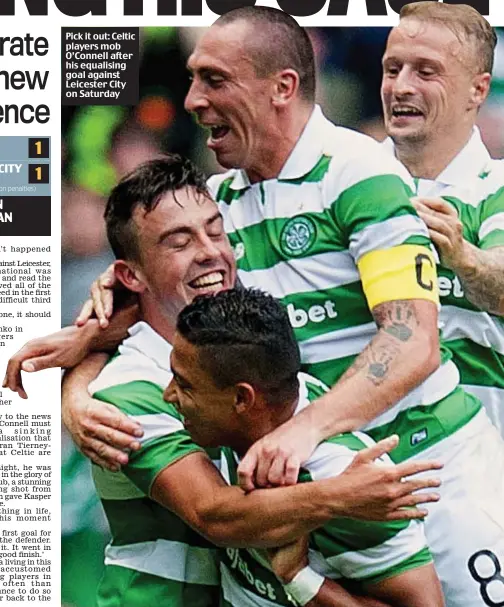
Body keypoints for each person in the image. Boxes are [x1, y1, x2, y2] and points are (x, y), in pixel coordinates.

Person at [4, 6, 504, 605]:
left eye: (214, 80)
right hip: (323, 488)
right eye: (191, 79)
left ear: (281, 88)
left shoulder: (360, 173)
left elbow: (413, 341)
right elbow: (152, 308)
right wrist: (77, 390)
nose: (192, 101)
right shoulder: (216, 207)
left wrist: (302, 431)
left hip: (429, 472)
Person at [60, 155, 442, 607]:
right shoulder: (131, 389)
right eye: (179, 242)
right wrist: (343, 495)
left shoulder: (247, 335)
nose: (209, 251)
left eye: (217, 231)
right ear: (130, 275)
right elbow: (216, 515)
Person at [165, 287, 445, 607]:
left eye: (183, 385)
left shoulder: (344, 475)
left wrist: (300, 579)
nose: (168, 395)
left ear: (242, 399)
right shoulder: (261, 402)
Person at [380, 1, 504, 433]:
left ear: (478, 89)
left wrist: (462, 256)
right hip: (364, 464)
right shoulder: (348, 180)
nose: (401, 87)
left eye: (425, 72)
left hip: (482, 466)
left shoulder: (497, 185)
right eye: (392, 69)